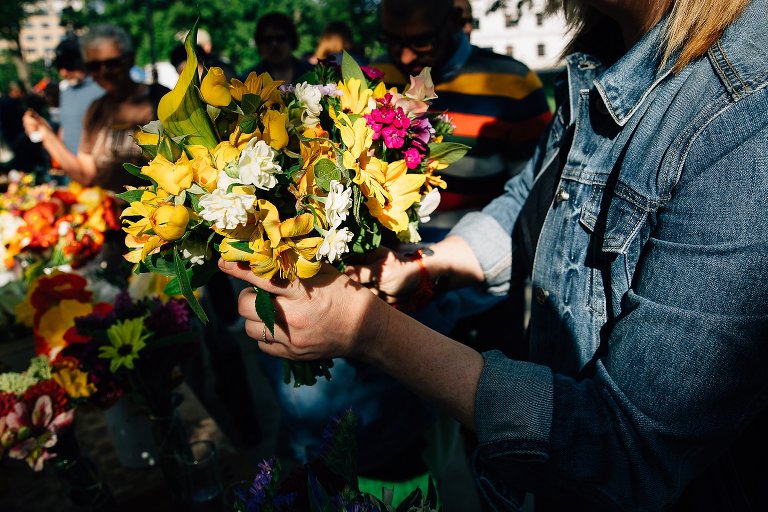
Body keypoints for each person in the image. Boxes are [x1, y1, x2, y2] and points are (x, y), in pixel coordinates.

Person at [221, 0, 768, 509]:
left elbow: (628, 447)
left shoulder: (744, 117)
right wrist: (425, 265)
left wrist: (371, 332)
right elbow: (537, 200)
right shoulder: (613, 52)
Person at [22, 24, 168, 192]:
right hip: (109, 212)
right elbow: (86, 173)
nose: (104, 71)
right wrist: (46, 135)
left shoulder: (161, 98)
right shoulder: (96, 110)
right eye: (94, 66)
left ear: (131, 59)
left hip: (159, 212)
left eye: (112, 63)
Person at [51, 36, 104, 156]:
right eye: (59, 67)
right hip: (71, 168)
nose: (63, 73)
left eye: (68, 66)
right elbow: (64, 126)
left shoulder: (102, 88)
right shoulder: (66, 91)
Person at [241, 12, 312, 84]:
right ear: (260, 44)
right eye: (268, 40)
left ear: (291, 40)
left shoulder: (312, 73)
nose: (274, 44)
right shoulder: (248, 80)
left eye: (280, 38)